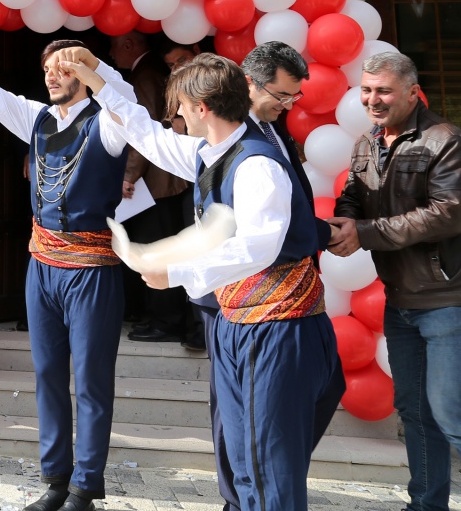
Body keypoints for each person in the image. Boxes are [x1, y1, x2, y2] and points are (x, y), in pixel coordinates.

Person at [65, 51, 344, 511]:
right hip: (237, 320)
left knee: (267, 468)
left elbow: (258, 246)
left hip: (276, 326)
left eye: (178, 108)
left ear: (202, 108)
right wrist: (96, 78)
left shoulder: (257, 163)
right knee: (244, 460)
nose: (172, 117)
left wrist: (174, 271)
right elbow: (142, 130)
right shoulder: (209, 151)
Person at [0, 35, 135, 511]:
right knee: (47, 374)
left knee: (92, 380)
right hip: (42, 267)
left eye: (64, 66)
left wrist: (98, 68)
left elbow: (128, 101)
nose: (53, 74)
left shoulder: (110, 122)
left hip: (91, 269)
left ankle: (86, 485)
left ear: (85, 72)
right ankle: (56, 478)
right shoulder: (35, 118)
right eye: (48, 68)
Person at [332, 50, 461, 511]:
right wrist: (340, 225)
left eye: (383, 90)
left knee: (452, 416)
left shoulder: (443, 139)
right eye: (366, 89)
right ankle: (426, 505)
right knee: (416, 412)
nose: (372, 99)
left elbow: (447, 214)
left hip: (447, 300)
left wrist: (364, 233)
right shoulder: (367, 142)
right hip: (400, 302)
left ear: (412, 91)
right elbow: (352, 196)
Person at [110, 32, 189, 345]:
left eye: (114, 47)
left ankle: (166, 321)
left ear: (129, 44)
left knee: (156, 248)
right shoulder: (150, 74)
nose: (112, 55)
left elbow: (143, 132)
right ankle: (159, 316)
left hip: (157, 183)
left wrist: (129, 175)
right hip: (159, 182)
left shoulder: (144, 76)